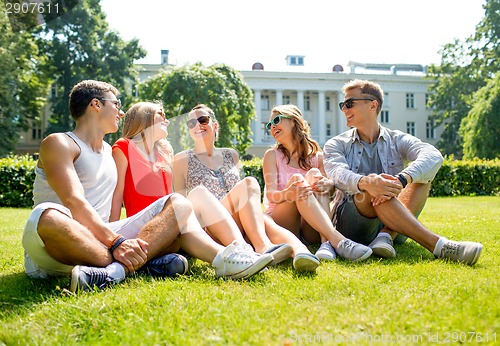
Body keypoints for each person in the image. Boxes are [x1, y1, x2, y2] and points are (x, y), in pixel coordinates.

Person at [21, 80, 273, 293]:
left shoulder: (109, 151)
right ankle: (147, 261)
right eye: (116, 104)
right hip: (61, 245)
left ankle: (222, 260)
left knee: (179, 204)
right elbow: (73, 201)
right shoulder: (59, 143)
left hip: (103, 241)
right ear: (96, 104)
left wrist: (119, 239)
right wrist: (118, 242)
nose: (121, 113)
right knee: (48, 216)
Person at [323, 79, 483, 265]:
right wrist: (367, 183)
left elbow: (433, 155)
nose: (344, 109)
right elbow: (337, 173)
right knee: (374, 188)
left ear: (372, 105)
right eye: (343, 104)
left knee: (423, 176)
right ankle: (440, 246)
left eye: (349, 103)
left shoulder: (397, 139)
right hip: (352, 224)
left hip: (395, 220)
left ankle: (386, 236)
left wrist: (402, 179)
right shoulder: (336, 144)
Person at [110, 101, 274, 266]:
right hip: (149, 226)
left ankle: (242, 252)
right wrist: (114, 239)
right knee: (194, 197)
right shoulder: (123, 147)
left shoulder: (164, 152)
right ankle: (234, 256)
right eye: (161, 116)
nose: (167, 121)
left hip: (173, 224)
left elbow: (171, 195)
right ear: (145, 118)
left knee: (197, 194)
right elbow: (117, 195)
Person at [173, 104, 321, 272]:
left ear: (215, 125)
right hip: (209, 224)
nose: (197, 125)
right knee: (249, 183)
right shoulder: (182, 159)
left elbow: (239, 196)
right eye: (191, 123)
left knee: (265, 218)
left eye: (202, 120)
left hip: (235, 221)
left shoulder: (231, 155)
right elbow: (182, 204)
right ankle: (262, 246)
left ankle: (301, 252)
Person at [262, 104, 372, 262]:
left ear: (293, 121)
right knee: (298, 180)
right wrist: (288, 193)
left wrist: (329, 186)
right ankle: (337, 241)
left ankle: (325, 243)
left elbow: (330, 193)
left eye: (277, 120)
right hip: (284, 222)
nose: (272, 127)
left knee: (315, 175)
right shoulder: (272, 155)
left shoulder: (318, 157)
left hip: (311, 226)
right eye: (269, 125)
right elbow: (270, 195)